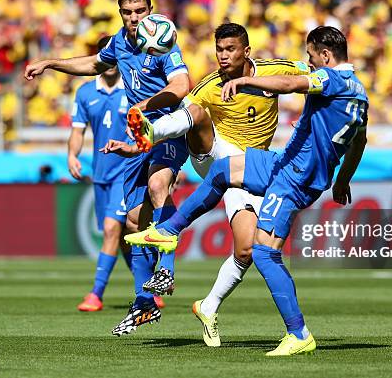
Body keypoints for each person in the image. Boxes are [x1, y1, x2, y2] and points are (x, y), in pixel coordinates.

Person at [125, 26, 369, 356]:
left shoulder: (332, 79)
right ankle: (169, 230)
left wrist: (245, 81)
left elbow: (291, 82)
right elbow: (359, 142)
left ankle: (298, 334)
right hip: (282, 162)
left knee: (262, 253)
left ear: (326, 57)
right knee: (224, 171)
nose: (309, 63)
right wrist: (341, 181)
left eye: (312, 58)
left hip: (294, 180)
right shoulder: (360, 97)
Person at [104, 22, 310, 347]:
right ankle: (151, 130)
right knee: (197, 112)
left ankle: (208, 305)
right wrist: (147, 137)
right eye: (219, 49)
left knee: (247, 249)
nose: (223, 56)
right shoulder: (210, 85)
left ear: (246, 51)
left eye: (230, 49)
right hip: (213, 155)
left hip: (249, 169)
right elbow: (187, 115)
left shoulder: (274, 71)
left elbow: (310, 76)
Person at [25, 0, 190, 335]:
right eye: (128, 12)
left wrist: (144, 105)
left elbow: (181, 86)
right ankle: (144, 303)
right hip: (139, 137)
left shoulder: (162, 39)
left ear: (150, 9)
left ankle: (168, 271)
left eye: (140, 11)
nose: (134, 18)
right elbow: (93, 64)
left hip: (168, 128)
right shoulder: (119, 41)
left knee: (160, 183)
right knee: (133, 221)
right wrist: (51, 62)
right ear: (120, 13)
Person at [68, 36, 134, 312]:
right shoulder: (84, 92)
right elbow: (77, 130)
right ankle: (148, 287)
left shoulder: (133, 90)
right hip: (101, 173)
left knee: (111, 229)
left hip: (126, 171)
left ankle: (96, 294)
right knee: (120, 235)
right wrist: (72, 154)